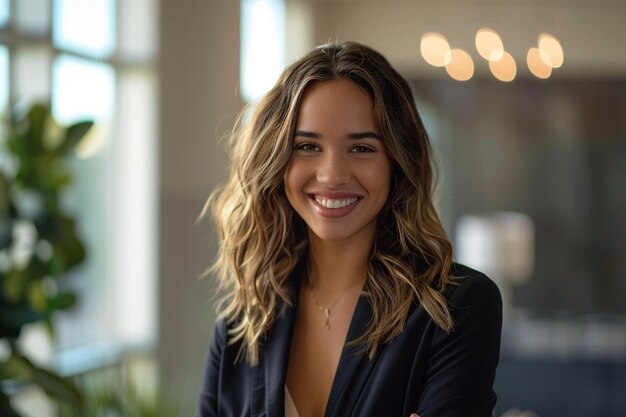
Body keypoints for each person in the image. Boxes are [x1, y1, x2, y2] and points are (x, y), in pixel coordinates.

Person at [197, 41, 502, 417]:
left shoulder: (455, 310)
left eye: (361, 149)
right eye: (307, 146)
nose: (332, 175)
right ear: (276, 161)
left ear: (398, 162)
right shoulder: (239, 329)